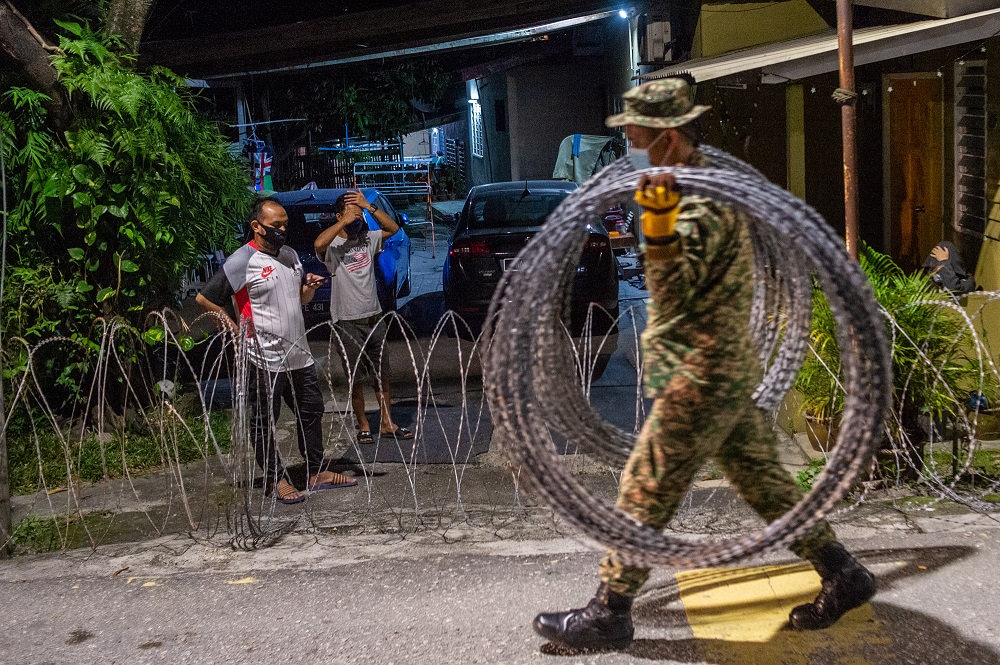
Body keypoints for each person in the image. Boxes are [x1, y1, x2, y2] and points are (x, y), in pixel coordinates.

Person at [532, 78, 877, 651]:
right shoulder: (692, 184)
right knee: (764, 482)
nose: (631, 142)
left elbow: (672, 295)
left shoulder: (694, 203)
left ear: (665, 134)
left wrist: (659, 231)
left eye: (637, 132)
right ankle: (841, 572)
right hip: (723, 368)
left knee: (646, 484)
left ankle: (608, 611)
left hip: (699, 373)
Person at [196, 196, 358, 505]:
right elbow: (206, 299)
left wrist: (307, 289)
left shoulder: (290, 255)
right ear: (257, 226)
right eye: (276, 225)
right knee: (263, 419)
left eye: (285, 224)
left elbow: (298, 301)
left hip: (298, 352)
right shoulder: (242, 260)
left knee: (311, 410)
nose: (282, 229)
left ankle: (316, 470)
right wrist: (232, 328)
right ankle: (275, 479)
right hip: (263, 357)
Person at [314, 190, 414, 445]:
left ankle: (387, 422)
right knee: (355, 376)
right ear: (339, 215)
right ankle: (363, 424)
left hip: (374, 316)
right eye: (352, 214)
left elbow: (393, 229)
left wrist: (368, 207)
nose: (357, 219)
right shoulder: (333, 246)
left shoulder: (368, 239)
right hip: (347, 320)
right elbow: (318, 244)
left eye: (358, 215)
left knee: (382, 373)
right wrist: (343, 221)